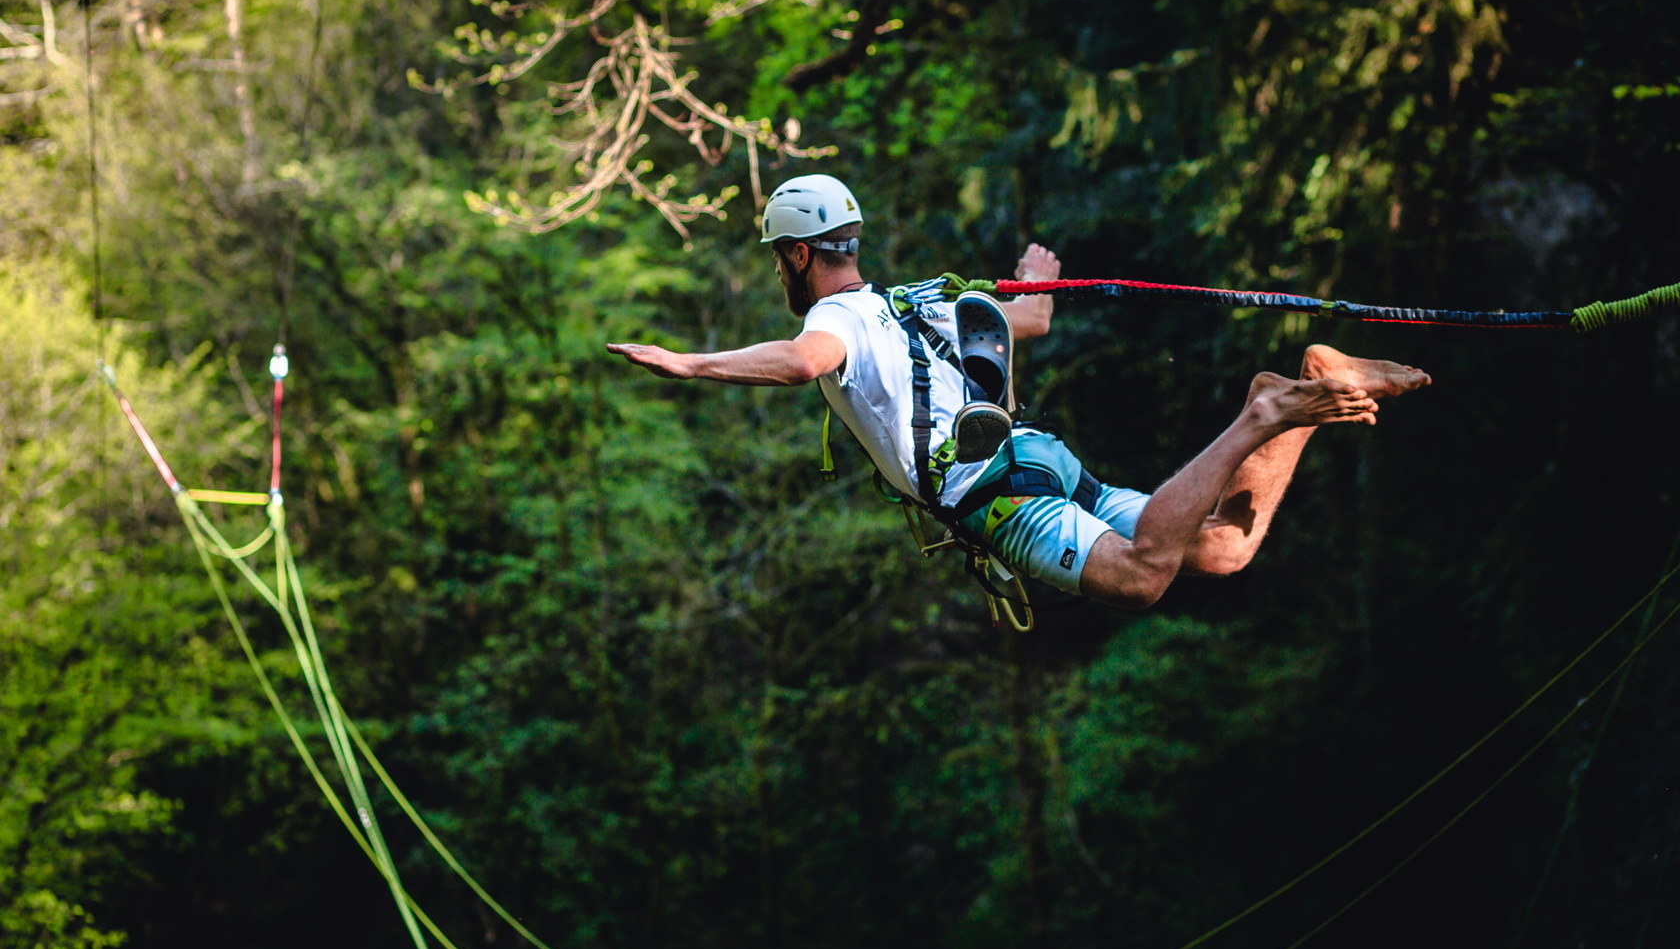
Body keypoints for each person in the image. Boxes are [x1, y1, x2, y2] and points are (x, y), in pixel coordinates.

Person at [607, 175, 1431, 611]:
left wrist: (689, 363)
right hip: (1036, 460)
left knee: (1143, 579)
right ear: (850, 240)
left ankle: (1265, 413)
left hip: (997, 496)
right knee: (1220, 548)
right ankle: (1300, 387)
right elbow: (1028, 322)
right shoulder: (914, 299)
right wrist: (1037, 282)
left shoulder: (839, 321)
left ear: (792, 255)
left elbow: (799, 361)